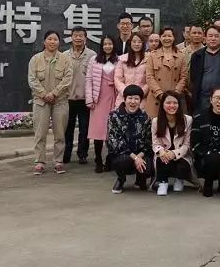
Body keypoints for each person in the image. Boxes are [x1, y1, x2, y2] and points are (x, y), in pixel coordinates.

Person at [27, 30, 74, 175]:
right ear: (44, 41)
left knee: (60, 134)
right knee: (40, 134)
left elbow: (68, 79)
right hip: (41, 102)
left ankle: (58, 161)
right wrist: (44, 94)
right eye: (49, 39)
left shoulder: (65, 59)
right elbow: (32, 80)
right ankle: (39, 162)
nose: (52, 42)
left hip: (60, 101)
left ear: (59, 42)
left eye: (55, 39)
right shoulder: (35, 59)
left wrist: (54, 93)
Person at [190, 87, 220, 197]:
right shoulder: (199, 116)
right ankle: (208, 183)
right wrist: (213, 152)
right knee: (213, 157)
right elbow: (195, 144)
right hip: (204, 158)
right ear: (211, 99)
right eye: (217, 98)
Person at [107, 84, 153, 193]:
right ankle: (121, 179)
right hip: (122, 154)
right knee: (123, 161)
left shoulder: (145, 117)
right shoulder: (114, 116)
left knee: (149, 166)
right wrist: (135, 158)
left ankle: (140, 179)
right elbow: (116, 142)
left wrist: (139, 157)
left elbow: (149, 141)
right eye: (130, 98)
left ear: (140, 101)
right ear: (125, 99)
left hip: (140, 153)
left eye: (136, 98)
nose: (133, 102)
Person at [87, 35, 121, 173]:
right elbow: (89, 80)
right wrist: (89, 99)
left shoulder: (119, 60)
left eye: (110, 44)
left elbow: (121, 78)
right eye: (105, 44)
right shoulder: (94, 60)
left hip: (113, 97)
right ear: (101, 46)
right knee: (98, 132)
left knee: (111, 131)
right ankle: (98, 160)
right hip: (98, 98)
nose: (108, 46)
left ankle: (109, 160)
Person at [62, 26, 96, 164]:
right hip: (68, 98)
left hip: (84, 99)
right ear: (71, 38)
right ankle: (66, 154)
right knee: (67, 128)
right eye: (75, 35)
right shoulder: (64, 55)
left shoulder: (92, 55)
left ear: (85, 38)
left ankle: (82, 154)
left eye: (81, 35)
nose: (78, 38)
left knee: (84, 128)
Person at [152, 91, 194, 196]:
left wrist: (174, 153)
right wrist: (161, 151)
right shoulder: (156, 121)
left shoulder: (187, 120)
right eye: (168, 103)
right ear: (162, 105)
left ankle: (179, 179)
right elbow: (155, 143)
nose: (172, 106)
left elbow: (187, 144)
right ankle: (163, 182)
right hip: (164, 154)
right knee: (162, 160)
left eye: (175, 103)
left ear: (179, 105)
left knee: (182, 166)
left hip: (181, 155)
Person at [147, 26, 189, 120]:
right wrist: (160, 94)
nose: (167, 38)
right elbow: (149, 77)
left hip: (175, 98)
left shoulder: (181, 56)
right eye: (164, 36)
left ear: (174, 38)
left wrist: (175, 94)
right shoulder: (152, 56)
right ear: (160, 38)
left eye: (169, 36)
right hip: (156, 99)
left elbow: (184, 77)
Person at [188, 25, 220, 118]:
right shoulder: (197, 55)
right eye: (210, 36)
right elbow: (193, 78)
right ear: (205, 38)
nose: (213, 39)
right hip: (202, 97)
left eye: (216, 36)